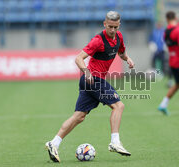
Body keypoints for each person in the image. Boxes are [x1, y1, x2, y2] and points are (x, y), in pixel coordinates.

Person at [45, 11, 134, 163]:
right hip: (93, 79)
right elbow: (78, 58)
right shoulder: (98, 40)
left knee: (79, 116)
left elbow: (121, 51)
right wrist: (86, 71)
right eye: (110, 27)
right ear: (104, 24)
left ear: (119, 25)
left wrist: (128, 59)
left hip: (90, 82)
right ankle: (115, 142)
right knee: (119, 106)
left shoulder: (119, 37)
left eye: (115, 27)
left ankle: (54, 143)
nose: (112, 30)